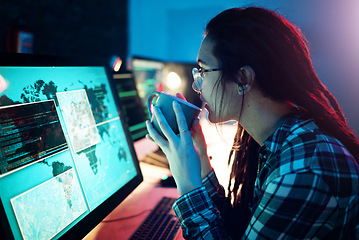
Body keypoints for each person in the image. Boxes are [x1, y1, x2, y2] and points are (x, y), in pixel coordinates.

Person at [146, 7, 359, 239]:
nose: (197, 86)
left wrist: (187, 184)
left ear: (243, 78)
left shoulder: (302, 170)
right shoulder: (277, 139)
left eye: (203, 71)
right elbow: (236, 230)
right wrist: (200, 159)